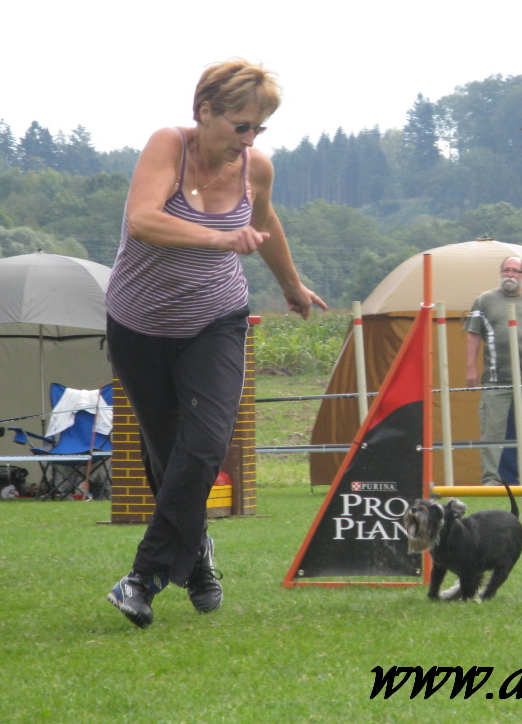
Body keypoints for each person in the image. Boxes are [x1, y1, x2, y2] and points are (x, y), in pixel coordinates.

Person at [104, 59, 326, 628]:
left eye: (259, 129)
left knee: (204, 447)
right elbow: (143, 221)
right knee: (166, 459)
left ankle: (143, 578)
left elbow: (266, 224)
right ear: (204, 112)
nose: (248, 140)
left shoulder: (257, 169)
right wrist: (220, 237)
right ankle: (197, 560)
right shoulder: (168, 146)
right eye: (240, 125)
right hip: (138, 326)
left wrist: (290, 284)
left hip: (215, 321)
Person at [464, 256, 522, 485]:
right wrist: (471, 367)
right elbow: (473, 335)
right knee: (491, 430)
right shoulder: (484, 301)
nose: (510, 275)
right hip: (496, 380)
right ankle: (490, 480)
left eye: (515, 271)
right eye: (506, 270)